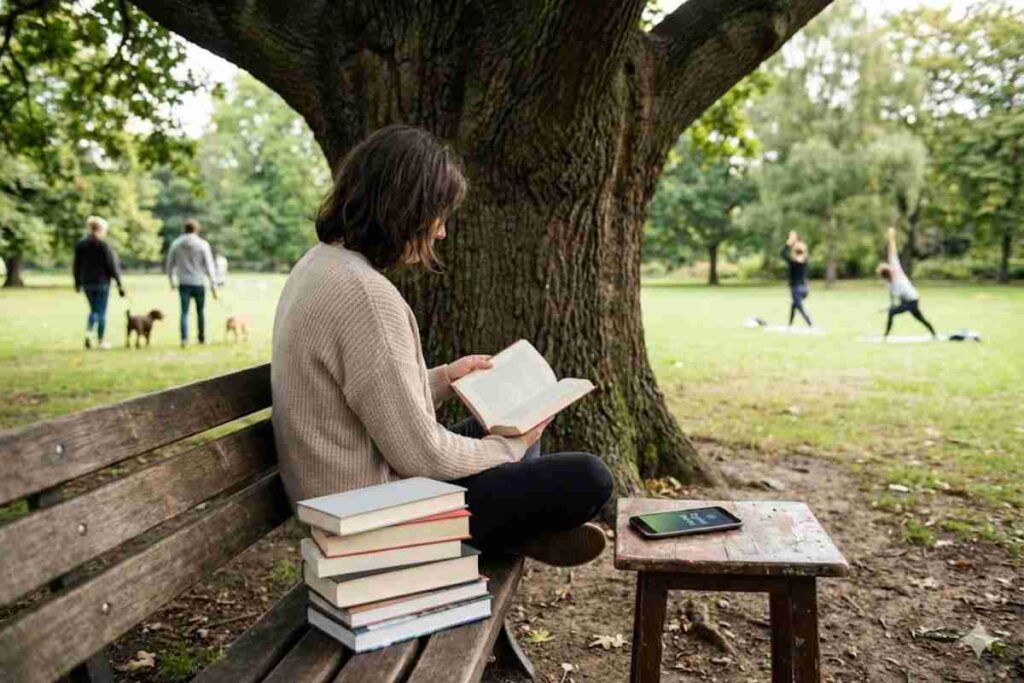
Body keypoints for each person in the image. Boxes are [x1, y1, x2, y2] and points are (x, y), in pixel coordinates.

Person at [272, 125, 613, 567]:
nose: (442, 232)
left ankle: (512, 530)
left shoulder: (319, 266)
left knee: (508, 430)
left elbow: (354, 396)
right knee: (587, 477)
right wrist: (505, 449)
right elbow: (423, 455)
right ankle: (512, 534)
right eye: (438, 215)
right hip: (367, 521)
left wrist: (444, 380)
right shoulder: (366, 296)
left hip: (343, 494)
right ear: (405, 210)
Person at [73, 216, 125, 350]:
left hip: (87, 282)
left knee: (93, 310)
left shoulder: (81, 245)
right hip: (102, 283)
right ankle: (101, 340)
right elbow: (112, 266)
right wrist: (119, 284)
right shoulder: (103, 245)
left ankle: (89, 334)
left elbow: (76, 265)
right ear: (101, 229)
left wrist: (77, 282)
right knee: (101, 311)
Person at [166, 219, 218, 347]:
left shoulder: (176, 244)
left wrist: (171, 280)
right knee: (200, 311)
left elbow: (169, 264)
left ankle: (184, 339)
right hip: (199, 282)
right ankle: (202, 338)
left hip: (183, 282)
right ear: (197, 229)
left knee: (184, 312)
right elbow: (209, 266)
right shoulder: (202, 244)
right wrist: (213, 285)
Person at [878, 227, 937, 339]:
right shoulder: (891, 286)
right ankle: (934, 334)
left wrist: (891, 238)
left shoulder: (897, 271)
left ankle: (885, 336)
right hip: (907, 301)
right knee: (917, 317)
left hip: (912, 300)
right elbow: (893, 303)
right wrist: (887, 308)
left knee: (899, 314)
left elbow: (892, 253)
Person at [781, 230, 813, 327]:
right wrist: (797, 243)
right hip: (805, 289)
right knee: (794, 305)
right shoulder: (805, 262)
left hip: (796, 288)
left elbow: (782, 253)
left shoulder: (793, 263)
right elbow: (803, 251)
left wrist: (789, 243)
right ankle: (790, 324)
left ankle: (810, 323)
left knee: (798, 306)